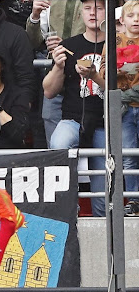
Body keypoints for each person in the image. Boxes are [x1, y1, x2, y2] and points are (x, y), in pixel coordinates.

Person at [42, 0, 105, 215]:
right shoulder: (69, 45)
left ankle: (103, 227)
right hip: (72, 119)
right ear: (80, 15)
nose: (93, 13)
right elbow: (48, 91)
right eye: (87, 8)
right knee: (58, 144)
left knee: (102, 196)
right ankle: (66, 210)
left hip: (105, 123)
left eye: (98, 8)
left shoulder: (115, 44)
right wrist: (59, 66)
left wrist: (95, 75)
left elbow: (122, 91)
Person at [27, 0, 87, 146]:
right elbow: (32, 43)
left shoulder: (92, 4)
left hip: (86, 78)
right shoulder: (48, 2)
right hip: (56, 75)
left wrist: (66, 44)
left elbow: (103, 32)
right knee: (55, 147)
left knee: (93, 137)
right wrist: (35, 16)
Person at [99, 0, 139, 216]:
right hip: (123, 110)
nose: (137, 20)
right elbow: (105, 73)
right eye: (132, 15)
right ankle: (134, 201)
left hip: (129, 102)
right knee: (129, 155)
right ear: (121, 20)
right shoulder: (113, 41)